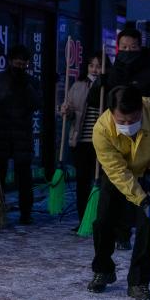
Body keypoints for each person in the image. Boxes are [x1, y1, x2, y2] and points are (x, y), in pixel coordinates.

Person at [87, 86, 150, 300]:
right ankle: (103, 269)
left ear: (142, 108)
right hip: (118, 174)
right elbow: (116, 171)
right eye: (122, 121)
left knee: (148, 225)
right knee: (103, 221)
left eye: (133, 120)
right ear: (111, 112)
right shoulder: (102, 129)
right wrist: (141, 198)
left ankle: (139, 282)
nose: (127, 125)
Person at [87, 26, 150, 250]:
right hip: (114, 138)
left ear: (140, 48)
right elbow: (93, 101)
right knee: (116, 186)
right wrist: (99, 84)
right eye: (124, 47)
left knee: (141, 187)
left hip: (145, 138)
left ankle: (139, 233)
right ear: (117, 48)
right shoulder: (112, 73)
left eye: (132, 47)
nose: (128, 51)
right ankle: (117, 233)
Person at [0, 44, 42, 225]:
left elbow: (37, 104)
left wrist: (26, 86)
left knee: (24, 177)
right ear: (10, 61)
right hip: (2, 133)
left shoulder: (31, 82)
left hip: (22, 135)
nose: (19, 67)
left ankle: (26, 213)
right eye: (17, 63)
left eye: (23, 64)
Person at [60, 54, 101, 229]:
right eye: (92, 66)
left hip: (102, 143)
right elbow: (70, 111)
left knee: (100, 182)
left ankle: (100, 221)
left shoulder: (108, 87)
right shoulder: (78, 86)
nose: (95, 70)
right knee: (83, 182)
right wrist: (65, 110)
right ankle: (83, 220)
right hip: (82, 141)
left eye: (98, 66)